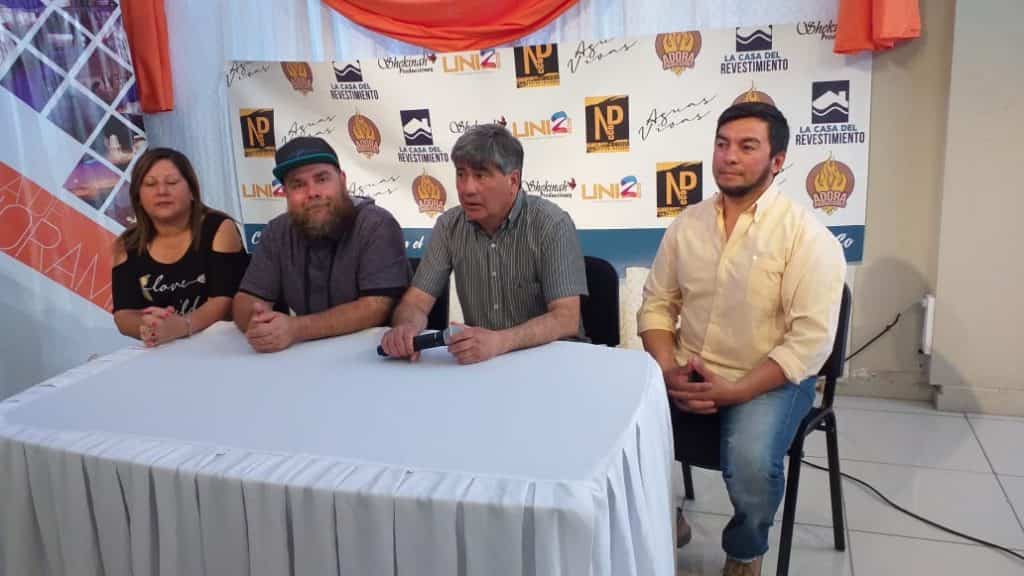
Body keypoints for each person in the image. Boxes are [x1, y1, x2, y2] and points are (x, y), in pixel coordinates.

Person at [637, 102, 846, 576]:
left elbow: (810, 342)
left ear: (777, 161)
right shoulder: (687, 225)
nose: (729, 156)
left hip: (767, 379)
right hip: (686, 371)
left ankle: (745, 551)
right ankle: (665, 519)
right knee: (619, 430)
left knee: (751, 460)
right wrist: (667, 369)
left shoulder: (807, 238)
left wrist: (736, 390)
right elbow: (657, 304)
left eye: (747, 146)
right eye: (722, 144)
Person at [379, 123, 588, 364]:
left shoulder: (551, 224)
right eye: (461, 174)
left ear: (513, 181)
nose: (467, 188)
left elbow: (566, 318)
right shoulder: (449, 226)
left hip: (553, 360)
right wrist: (406, 327)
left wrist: (501, 341)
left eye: (480, 175)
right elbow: (416, 302)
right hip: (484, 364)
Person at [233, 136, 409, 352]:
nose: (313, 193)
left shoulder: (375, 224)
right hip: (307, 356)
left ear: (342, 180)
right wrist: (259, 323)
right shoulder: (276, 231)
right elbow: (246, 299)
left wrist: (296, 329)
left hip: (375, 355)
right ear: (285, 192)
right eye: (298, 185)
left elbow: (376, 307)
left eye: (322, 179)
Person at [112, 148, 249, 347]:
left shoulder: (219, 228)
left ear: (191, 190)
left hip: (225, 345)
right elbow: (123, 314)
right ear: (138, 197)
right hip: (166, 348)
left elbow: (223, 300)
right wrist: (149, 327)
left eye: (172, 182)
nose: (162, 191)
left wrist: (183, 325)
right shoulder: (126, 244)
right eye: (150, 184)